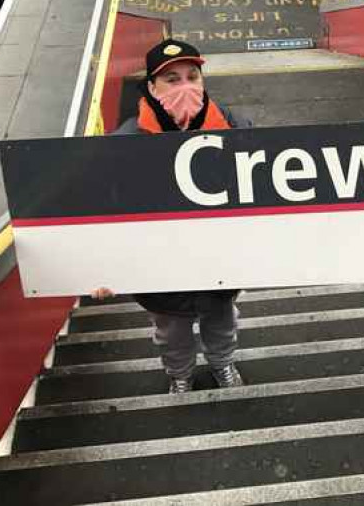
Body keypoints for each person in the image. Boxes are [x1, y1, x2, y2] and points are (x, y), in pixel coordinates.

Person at [91, 39, 248, 394]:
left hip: (218, 265)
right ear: (151, 87)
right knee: (171, 331)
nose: (186, 87)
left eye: (193, 77)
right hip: (161, 275)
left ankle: (223, 364)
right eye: (172, 80)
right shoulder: (125, 141)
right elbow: (103, 208)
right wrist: (98, 265)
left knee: (222, 321)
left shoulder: (237, 127)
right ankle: (180, 373)